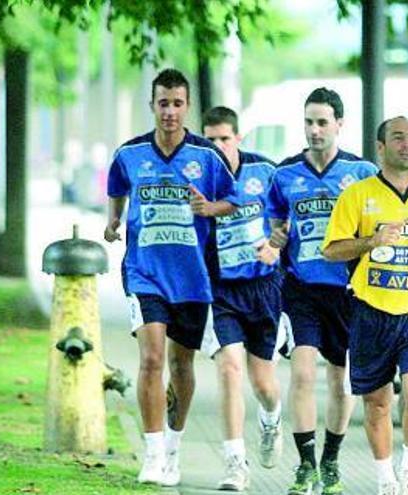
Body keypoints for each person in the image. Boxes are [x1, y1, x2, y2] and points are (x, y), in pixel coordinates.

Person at [104, 68, 237, 487]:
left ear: (187, 107)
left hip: (192, 280)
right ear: (152, 106)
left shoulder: (207, 157)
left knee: (181, 365)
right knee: (151, 358)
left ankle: (175, 449)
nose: (170, 112)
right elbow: (116, 188)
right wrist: (113, 221)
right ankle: (153, 451)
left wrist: (209, 209)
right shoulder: (130, 154)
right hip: (144, 274)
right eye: (163, 103)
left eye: (178, 103)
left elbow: (234, 200)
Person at [323, 116, 408, 495]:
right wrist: (370, 241)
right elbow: (332, 250)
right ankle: (385, 478)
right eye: (397, 138)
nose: (407, 145)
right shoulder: (357, 195)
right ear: (380, 147)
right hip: (371, 308)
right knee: (378, 401)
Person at [266, 87, 378, 495]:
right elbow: (276, 222)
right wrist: (276, 237)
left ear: (339, 125)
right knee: (301, 372)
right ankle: (305, 465)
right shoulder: (285, 174)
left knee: (341, 380)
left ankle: (331, 460)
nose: (314, 130)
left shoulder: (362, 172)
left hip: (348, 290)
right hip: (302, 289)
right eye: (309, 122)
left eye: (322, 123)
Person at [200, 106, 284, 491]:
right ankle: (235, 463)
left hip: (264, 287)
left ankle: (271, 417)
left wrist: (276, 246)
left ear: (238, 138)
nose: (217, 146)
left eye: (224, 139)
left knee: (262, 382)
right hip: (222, 290)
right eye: (210, 139)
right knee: (229, 368)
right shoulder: (199, 178)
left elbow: (291, 217)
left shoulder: (266, 172)